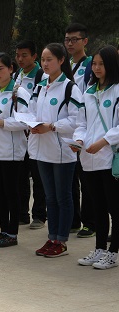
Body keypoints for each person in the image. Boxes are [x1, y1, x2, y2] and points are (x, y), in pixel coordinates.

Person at [29, 43, 83, 258]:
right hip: (42, 150)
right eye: (43, 59)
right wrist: (31, 124)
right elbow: (31, 112)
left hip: (62, 151)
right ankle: (51, 238)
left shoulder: (70, 88)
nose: (45, 63)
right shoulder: (40, 87)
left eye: (49, 59)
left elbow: (76, 120)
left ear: (61, 61)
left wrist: (51, 126)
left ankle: (61, 241)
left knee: (63, 197)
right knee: (50, 197)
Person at [74, 45, 119, 269]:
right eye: (94, 64)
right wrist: (79, 140)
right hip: (89, 158)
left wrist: (103, 141)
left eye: (102, 64)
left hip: (109, 158)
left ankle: (113, 252)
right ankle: (100, 248)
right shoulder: (89, 92)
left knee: (114, 207)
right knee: (98, 206)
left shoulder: (117, 90)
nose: (97, 68)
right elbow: (82, 123)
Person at [0, 53, 31, 248]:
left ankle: (12, 233)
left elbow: (25, 121)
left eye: (0, 68)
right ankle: (3, 230)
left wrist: (0, 123)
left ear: (11, 69)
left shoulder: (18, 92)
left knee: (11, 193)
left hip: (11, 151)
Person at [65, 23, 96, 239]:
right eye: (67, 39)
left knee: (86, 179)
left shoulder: (91, 65)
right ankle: (73, 220)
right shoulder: (65, 64)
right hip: (69, 128)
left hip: (86, 128)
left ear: (85, 41)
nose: (70, 43)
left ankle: (90, 222)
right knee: (70, 178)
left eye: (74, 39)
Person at [14, 40, 48, 230]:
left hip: (35, 132)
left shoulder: (41, 76)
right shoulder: (16, 75)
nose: (20, 59)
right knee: (20, 176)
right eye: (17, 55)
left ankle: (39, 215)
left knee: (38, 177)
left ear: (34, 56)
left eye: (24, 55)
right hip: (19, 132)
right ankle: (21, 214)